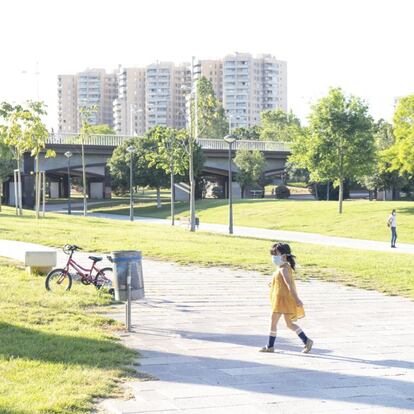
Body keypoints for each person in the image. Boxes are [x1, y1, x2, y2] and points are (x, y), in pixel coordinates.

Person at [260, 242, 313, 353]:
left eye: (276, 254)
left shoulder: (284, 269)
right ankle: (306, 341)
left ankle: (270, 346)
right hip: (282, 300)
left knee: (273, 322)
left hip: (281, 301)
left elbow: (289, 284)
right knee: (289, 324)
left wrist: (297, 299)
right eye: (273, 254)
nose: (273, 257)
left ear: (284, 256)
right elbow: (281, 283)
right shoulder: (281, 268)